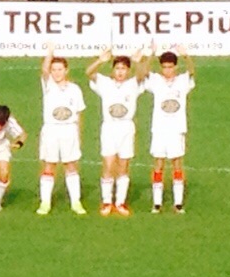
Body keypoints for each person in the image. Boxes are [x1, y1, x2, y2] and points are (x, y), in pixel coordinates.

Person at [86, 47, 148, 216]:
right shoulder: (105, 83)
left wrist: (139, 61)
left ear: (128, 71)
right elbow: (89, 73)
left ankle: (120, 202)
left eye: (123, 69)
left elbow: (142, 75)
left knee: (123, 165)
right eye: (117, 68)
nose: (120, 72)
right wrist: (100, 60)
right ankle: (107, 201)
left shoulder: (133, 84)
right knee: (108, 163)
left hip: (126, 128)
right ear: (113, 69)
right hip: (109, 127)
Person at [37, 42, 87, 215]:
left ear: (66, 70)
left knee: (70, 165)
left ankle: (76, 202)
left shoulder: (75, 89)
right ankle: (45, 203)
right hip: (51, 130)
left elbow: (79, 114)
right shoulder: (48, 85)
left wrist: (78, 135)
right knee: (49, 166)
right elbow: (43, 70)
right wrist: (50, 52)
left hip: (69, 130)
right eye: (54, 70)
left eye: (60, 69)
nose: (56, 73)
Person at [145, 45, 196, 213]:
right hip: (159, 129)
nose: (167, 70)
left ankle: (178, 202)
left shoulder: (182, 81)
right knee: (158, 164)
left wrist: (186, 56)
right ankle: (157, 202)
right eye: (164, 67)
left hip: (177, 129)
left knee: (177, 164)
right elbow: (143, 72)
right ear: (161, 67)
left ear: (175, 66)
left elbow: (192, 72)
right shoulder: (155, 80)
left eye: (170, 66)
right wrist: (151, 54)